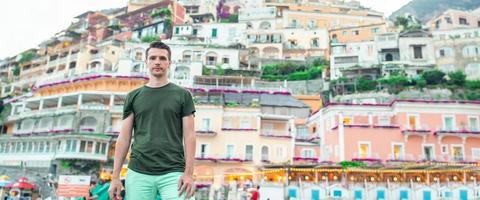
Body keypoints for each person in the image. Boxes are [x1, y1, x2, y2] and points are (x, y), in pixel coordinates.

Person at [109, 41, 196, 200]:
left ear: (170, 63)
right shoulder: (133, 96)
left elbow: (189, 136)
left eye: (162, 58)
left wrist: (189, 174)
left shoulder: (183, 95)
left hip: (174, 171)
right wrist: (115, 177)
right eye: (153, 58)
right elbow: (124, 138)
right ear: (146, 62)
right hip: (138, 171)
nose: (157, 62)